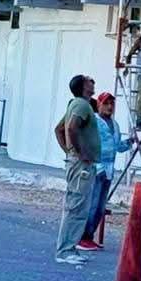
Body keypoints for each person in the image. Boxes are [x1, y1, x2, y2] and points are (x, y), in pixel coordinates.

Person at [53, 73, 102, 265]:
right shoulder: (82, 105)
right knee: (77, 207)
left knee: (77, 204)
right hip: (81, 164)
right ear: (83, 86)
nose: (93, 82)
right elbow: (71, 128)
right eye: (90, 80)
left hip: (77, 162)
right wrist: (79, 152)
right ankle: (65, 251)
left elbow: (59, 129)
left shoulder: (77, 104)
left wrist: (68, 151)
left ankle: (68, 247)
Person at [77, 92, 131, 251]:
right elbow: (87, 143)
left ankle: (89, 236)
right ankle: (82, 236)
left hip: (108, 171)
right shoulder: (94, 122)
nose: (109, 107)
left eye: (111, 104)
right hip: (97, 168)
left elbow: (117, 147)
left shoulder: (115, 125)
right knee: (92, 205)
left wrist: (130, 142)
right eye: (106, 103)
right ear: (99, 104)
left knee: (100, 207)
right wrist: (95, 165)